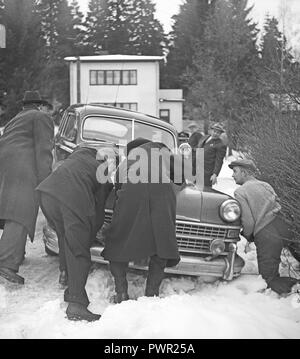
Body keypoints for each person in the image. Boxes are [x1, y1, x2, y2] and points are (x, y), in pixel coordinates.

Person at [102, 138, 190, 303]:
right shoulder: (162, 151)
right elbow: (180, 179)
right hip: (163, 193)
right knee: (161, 242)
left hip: (132, 192)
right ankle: (151, 294)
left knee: (118, 241)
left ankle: (121, 292)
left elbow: (119, 187)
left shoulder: (128, 160)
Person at [36, 145, 115, 322]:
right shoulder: (100, 167)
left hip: (46, 195)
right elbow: (99, 209)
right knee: (79, 250)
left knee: (65, 239)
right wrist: (91, 232)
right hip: (71, 198)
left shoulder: (73, 160)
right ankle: (77, 305)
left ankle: (65, 275)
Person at [0, 90, 54, 285]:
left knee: (11, 211)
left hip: (7, 169)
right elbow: (43, 150)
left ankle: (16, 253)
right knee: (20, 214)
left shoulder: (15, 119)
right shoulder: (41, 117)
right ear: (40, 105)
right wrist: (46, 180)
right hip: (24, 170)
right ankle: (6, 263)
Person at [229, 158, 299, 295]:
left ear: (244, 172)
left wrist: (248, 235)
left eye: (235, 171)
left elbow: (248, 221)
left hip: (266, 233)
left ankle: (295, 287)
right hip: (285, 225)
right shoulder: (266, 185)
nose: (232, 175)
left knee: (268, 279)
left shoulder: (240, 192)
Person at [197, 122, 227, 187]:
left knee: (205, 192)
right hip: (197, 170)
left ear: (220, 134)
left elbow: (219, 161)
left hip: (207, 173)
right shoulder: (204, 138)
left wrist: (215, 174)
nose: (215, 133)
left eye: (218, 132)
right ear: (211, 130)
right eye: (214, 131)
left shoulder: (220, 145)